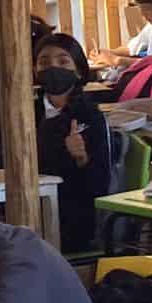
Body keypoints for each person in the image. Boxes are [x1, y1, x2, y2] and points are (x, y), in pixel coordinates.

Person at [33, 33, 112, 250]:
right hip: (29, 207)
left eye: (63, 61)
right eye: (44, 62)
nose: (53, 67)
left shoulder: (90, 116)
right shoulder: (25, 111)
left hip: (72, 219)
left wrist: (81, 158)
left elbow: (99, 185)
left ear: (78, 71)